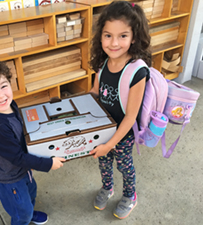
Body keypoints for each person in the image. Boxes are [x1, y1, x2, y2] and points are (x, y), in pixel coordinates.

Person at [0, 55, 66, 225]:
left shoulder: (10, 105)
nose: (0, 96)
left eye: (3, 86)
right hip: (10, 177)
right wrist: (48, 164)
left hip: (23, 170)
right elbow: (17, 157)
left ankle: (28, 212)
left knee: (31, 193)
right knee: (20, 210)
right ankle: (23, 218)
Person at [89, 1, 151, 220]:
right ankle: (107, 187)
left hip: (123, 134)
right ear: (101, 36)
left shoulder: (137, 71)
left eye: (122, 36)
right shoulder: (103, 63)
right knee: (103, 162)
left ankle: (130, 195)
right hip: (103, 129)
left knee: (125, 167)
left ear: (134, 37)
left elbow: (131, 116)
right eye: (108, 35)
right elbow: (94, 93)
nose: (113, 43)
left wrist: (110, 144)